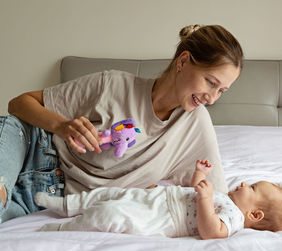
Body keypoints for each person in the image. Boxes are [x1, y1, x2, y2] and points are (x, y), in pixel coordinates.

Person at [0, 24, 244, 223]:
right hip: (30, 145)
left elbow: (222, 202)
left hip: (46, 195)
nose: (211, 98)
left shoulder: (195, 125)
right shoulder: (113, 85)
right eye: (211, 82)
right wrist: (63, 126)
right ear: (183, 62)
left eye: (221, 91)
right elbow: (19, 104)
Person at [35, 160, 282, 239]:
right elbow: (197, 191)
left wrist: (207, 199)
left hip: (163, 219)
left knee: (113, 213)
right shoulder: (226, 198)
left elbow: (211, 232)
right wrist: (200, 175)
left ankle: (63, 228)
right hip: (161, 197)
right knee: (112, 193)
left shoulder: (234, 219)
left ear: (254, 215)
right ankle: (67, 205)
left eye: (252, 188)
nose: (244, 183)